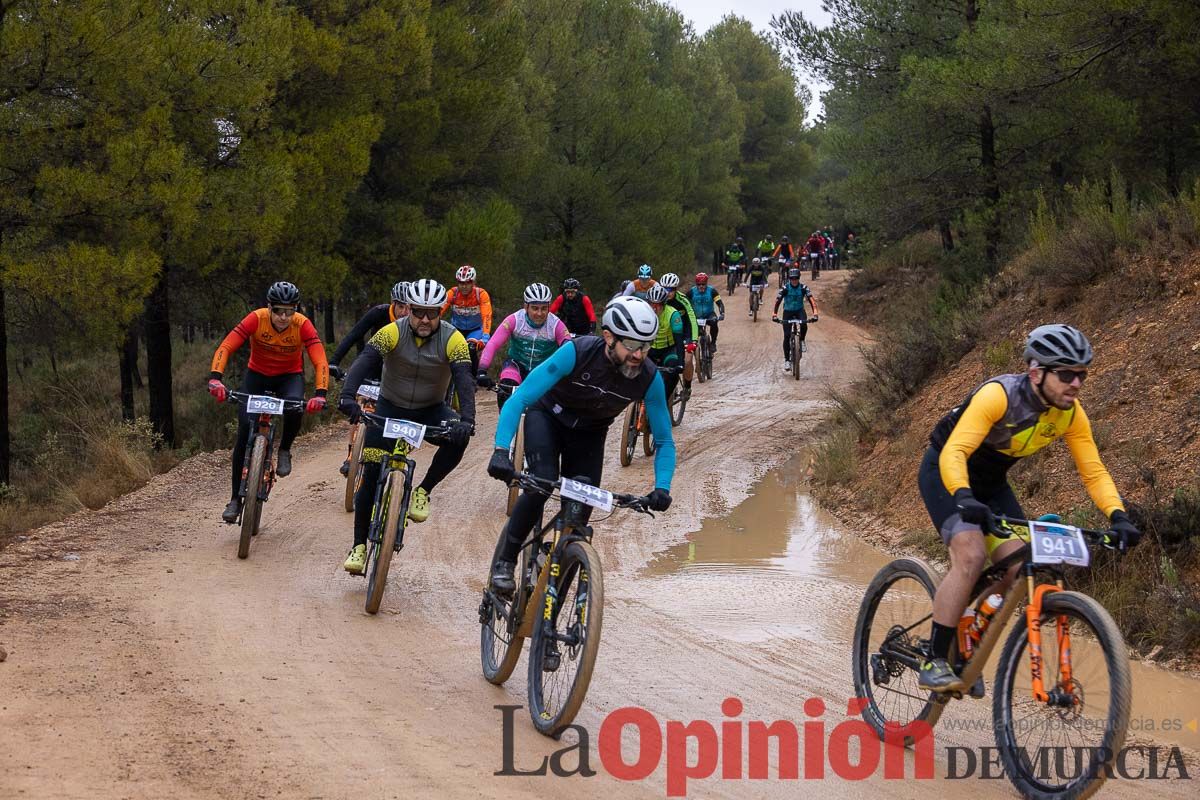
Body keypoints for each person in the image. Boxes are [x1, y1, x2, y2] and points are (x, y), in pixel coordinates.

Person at [916, 325, 1140, 692]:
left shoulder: (1069, 414)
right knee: (970, 555)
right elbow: (955, 452)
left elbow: (1093, 470)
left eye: (1082, 375)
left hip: (991, 484)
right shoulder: (998, 396)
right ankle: (934, 658)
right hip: (946, 472)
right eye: (1066, 374)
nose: (1076, 383)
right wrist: (964, 495)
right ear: (1036, 373)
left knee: (1019, 568)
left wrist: (1118, 515)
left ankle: (966, 625)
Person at [485, 296, 675, 595]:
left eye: (646, 346)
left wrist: (662, 487)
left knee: (580, 513)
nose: (639, 355)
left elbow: (664, 440)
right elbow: (520, 398)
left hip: (590, 434)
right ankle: (505, 562)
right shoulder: (577, 352)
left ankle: (553, 595)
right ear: (609, 337)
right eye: (632, 345)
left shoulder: (649, 378)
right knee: (540, 484)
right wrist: (500, 450)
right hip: (547, 417)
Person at [337, 279, 477, 574]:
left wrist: (467, 419)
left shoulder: (453, 339)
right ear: (408, 310)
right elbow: (364, 361)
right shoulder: (391, 332)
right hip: (389, 406)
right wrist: (347, 396)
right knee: (372, 468)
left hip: (431, 409)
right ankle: (359, 546)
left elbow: (464, 380)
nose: (425, 319)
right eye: (418, 312)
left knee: (459, 438)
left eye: (432, 313)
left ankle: (423, 490)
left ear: (441, 312)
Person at [208, 281, 329, 523]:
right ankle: (234, 499)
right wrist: (216, 379)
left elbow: (319, 360)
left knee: (296, 406)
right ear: (269, 308)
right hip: (257, 376)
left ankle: (284, 449)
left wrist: (321, 393)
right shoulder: (256, 318)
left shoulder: (302, 325)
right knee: (244, 431)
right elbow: (226, 346)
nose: (284, 317)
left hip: (289, 377)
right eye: (278, 311)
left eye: (290, 311)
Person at [477, 283, 570, 408]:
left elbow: (569, 349)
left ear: (549, 307)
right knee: (506, 389)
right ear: (526, 306)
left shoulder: (556, 325)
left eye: (544, 308)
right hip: (517, 364)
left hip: (544, 368)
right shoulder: (515, 320)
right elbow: (493, 344)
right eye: (535, 308)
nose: (539, 313)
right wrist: (482, 370)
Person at [328, 282, 410, 381]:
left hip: (400, 369)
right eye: (401, 307)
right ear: (393, 303)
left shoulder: (416, 322)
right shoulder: (379, 312)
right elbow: (353, 335)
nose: (404, 313)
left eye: (409, 308)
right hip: (374, 365)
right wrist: (333, 362)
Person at [657, 273, 698, 400]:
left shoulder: (683, 300)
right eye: (664, 289)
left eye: (670, 290)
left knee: (687, 360)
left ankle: (687, 386)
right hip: (668, 334)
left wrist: (694, 340)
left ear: (675, 289)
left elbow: (692, 319)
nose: (667, 292)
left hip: (685, 332)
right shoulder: (657, 299)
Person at [771, 268, 818, 370]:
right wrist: (774, 314)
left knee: (804, 324)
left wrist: (815, 313)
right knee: (787, 336)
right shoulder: (785, 288)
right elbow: (777, 301)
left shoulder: (803, 287)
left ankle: (801, 340)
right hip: (787, 312)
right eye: (792, 278)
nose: (794, 280)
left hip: (799, 310)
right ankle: (787, 361)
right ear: (789, 279)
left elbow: (811, 300)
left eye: (796, 278)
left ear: (799, 278)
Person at [646, 284, 685, 402]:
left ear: (664, 304)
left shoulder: (673, 314)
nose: (654, 308)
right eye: (652, 304)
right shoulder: (642, 312)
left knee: (672, 368)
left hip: (668, 350)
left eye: (658, 305)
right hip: (649, 349)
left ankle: (664, 401)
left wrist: (681, 363)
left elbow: (679, 341)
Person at [441, 265, 493, 343]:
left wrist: (485, 336)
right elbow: (439, 310)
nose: (464, 286)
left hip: (476, 330)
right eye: (461, 283)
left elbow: (487, 316)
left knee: (471, 349)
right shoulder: (452, 293)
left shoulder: (481, 294)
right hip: (456, 328)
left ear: (473, 282)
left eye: (468, 283)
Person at [686, 273, 725, 351]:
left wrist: (722, 313)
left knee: (714, 322)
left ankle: (713, 343)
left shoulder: (712, 291)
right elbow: (684, 304)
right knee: (694, 331)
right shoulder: (691, 292)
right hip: (696, 316)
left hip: (709, 314)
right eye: (699, 284)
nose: (701, 286)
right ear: (696, 284)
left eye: (703, 284)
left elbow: (720, 303)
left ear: (706, 283)